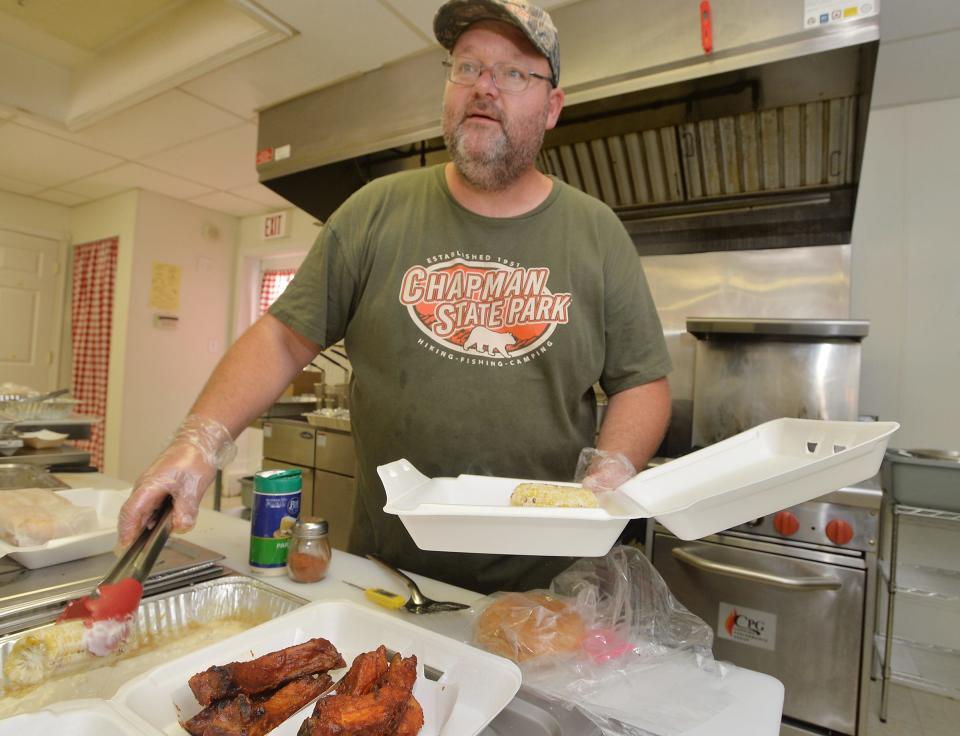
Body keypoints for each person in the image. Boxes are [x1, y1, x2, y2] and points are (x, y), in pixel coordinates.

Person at [118, 0, 672, 594]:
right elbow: (282, 337)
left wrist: (610, 473)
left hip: (544, 586)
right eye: (467, 67)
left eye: (513, 73)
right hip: (389, 578)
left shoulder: (596, 232)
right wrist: (197, 443)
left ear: (553, 106)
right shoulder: (375, 211)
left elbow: (642, 379)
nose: (484, 87)